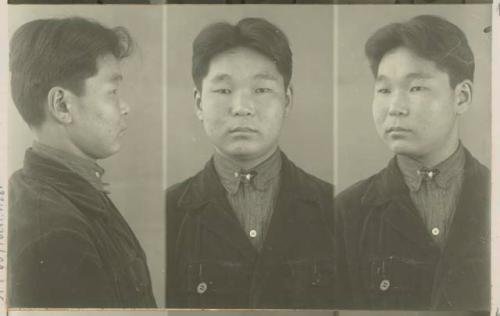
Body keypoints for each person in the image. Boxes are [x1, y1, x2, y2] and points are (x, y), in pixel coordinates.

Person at [166, 17, 335, 308]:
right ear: (198, 103)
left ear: (287, 99)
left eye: (261, 90)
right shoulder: (169, 212)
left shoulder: (334, 208)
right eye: (223, 90)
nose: (242, 108)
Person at [334, 15, 490, 310]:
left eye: (416, 88)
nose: (395, 108)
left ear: (462, 97)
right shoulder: (347, 213)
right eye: (384, 90)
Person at [8, 17, 157, 308]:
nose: (125, 107)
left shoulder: (61, 191)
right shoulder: (54, 232)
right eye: (112, 92)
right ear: (62, 105)